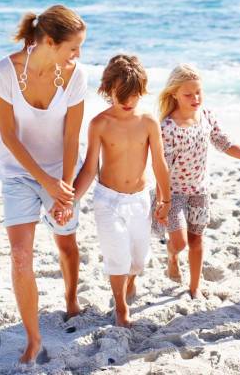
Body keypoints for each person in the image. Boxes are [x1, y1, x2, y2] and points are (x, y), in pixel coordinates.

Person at [0, 5, 88, 362]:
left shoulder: (76, 75)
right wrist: (44, 180)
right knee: (20, 256)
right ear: (48, 41)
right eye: (73, 47)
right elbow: (9, 136)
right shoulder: (3, 72)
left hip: (61, 170)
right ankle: (33, 338)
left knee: (66, 243)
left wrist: (63, 186)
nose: (78, 55)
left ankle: (71, 298)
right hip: (17, 173)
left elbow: (72, 137)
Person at [68, 54, 171, 327]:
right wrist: (72, 200)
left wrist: (165, 198)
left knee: (138, 258)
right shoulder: (99, 124)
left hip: (139, 199)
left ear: (142, 91)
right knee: (117, 255)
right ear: (107, 90)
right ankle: (121, 307)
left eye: (134, 95)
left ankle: (131, 281)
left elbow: (159, 163)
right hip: (108, 200)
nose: (127, 101)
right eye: (120, 94)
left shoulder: (148, 122)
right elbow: (89, 169)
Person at [153, 64, 240, 299]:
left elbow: (224, 143)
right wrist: (162, 199)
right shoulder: (167, 127)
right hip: (174, 193)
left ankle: (194, 286)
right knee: (179, 243)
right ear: (174, 94)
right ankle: (172, 257)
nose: (195, 98)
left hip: (200, 191)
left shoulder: (206, 116)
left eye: (198, 92)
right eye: (188, 94)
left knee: (197, 239)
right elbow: (162, 166)